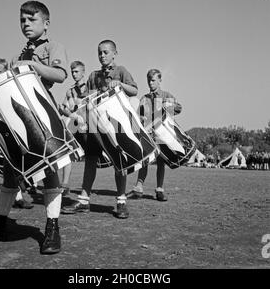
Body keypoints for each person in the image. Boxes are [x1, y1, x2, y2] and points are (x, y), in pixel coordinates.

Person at [0, 1, 69, 255]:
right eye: (22, 21)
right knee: (12, 170)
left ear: (46, 23)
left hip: (43, 118)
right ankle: (0, 223)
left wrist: (33, 66)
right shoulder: (17, 54)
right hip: (18, 120)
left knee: (49, 172)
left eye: (31, 19)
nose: (26, 24)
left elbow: (60, 75)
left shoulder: (53, 47)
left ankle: (52, 228)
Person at [61, 40, 138, 218]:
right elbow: (87, 98)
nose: (102, 56)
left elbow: (134, 90)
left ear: (114, 53)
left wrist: (119, 84)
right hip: (95, 125)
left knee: (120, 161)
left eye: (105, 52)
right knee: (90, 159)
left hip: (115, 124)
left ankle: (121, 201)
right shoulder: (93, 76)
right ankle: (84, 200)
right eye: (99, 53)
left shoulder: (121, 71)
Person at [127, 68, 182, 201]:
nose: (150, 83)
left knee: (161, 162)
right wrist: (140, 120)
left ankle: (159, 190)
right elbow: (137, 117)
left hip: (162, 135)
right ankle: (138, 188)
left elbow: (179, 108)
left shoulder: (166, 95)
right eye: (148, 80)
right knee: (144, 161)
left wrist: (169, 105)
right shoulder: (144, 99)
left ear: (160, 80)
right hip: (147, 135)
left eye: (153, 80)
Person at [0, 58, 34, 210]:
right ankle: (8, 198)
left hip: (12, 132)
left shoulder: (9, 86)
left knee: (15, 165)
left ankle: (21, 195)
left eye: (2, 70)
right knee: (3, 166)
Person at [58, 60, 88, 205]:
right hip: (74, 125)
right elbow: (64, 107)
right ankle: (65, 185)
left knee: (91, 158)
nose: (74, 74)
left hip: (89, 126)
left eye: (76, 71)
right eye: (72, 72)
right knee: (67, 153)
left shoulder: (89, 87)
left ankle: (86, 190)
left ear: (83, 72)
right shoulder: (70, 90)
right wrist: (69, 113)